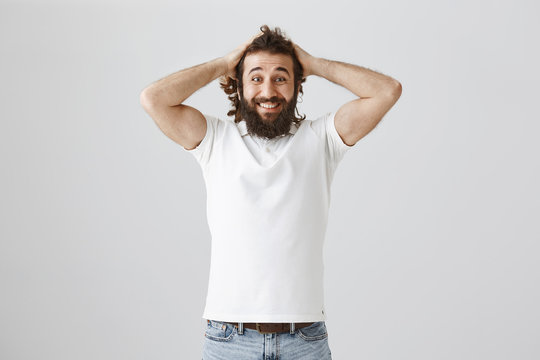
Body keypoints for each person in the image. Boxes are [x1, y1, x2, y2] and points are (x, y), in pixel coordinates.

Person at [140, 25, 401, 360]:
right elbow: (153, 99)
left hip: (304, 339)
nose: (268, 89)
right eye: (256, 77)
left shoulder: (321, 139)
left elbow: (387, 91)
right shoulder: (215, 141)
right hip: (229, 339)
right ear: (239, 84)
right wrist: (224, 63)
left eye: (281, 77)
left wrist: (314, 63)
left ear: (296, 85)